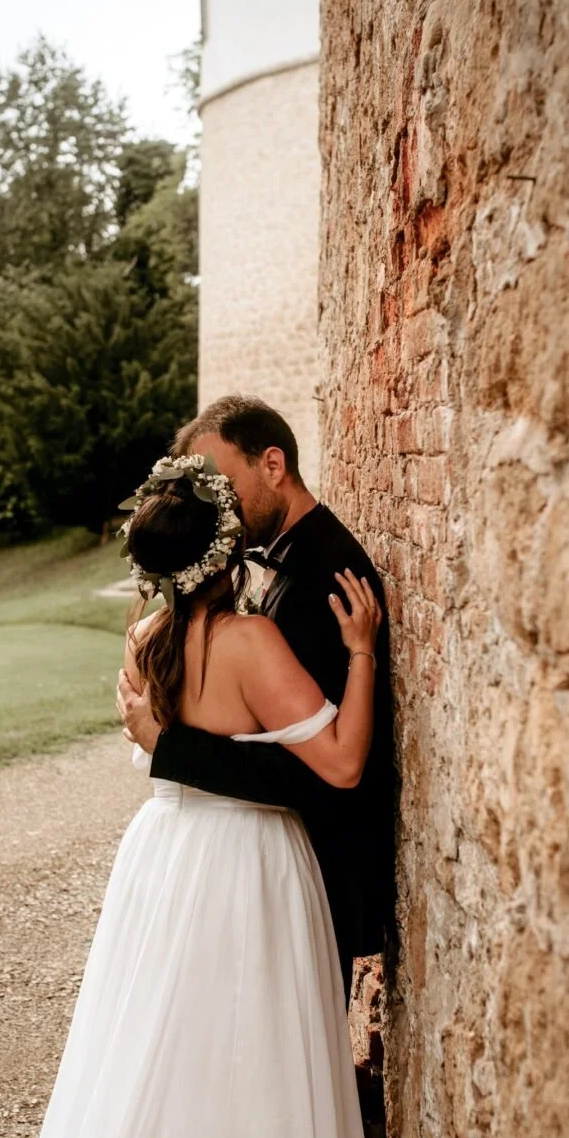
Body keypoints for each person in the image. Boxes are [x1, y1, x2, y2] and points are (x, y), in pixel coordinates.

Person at [0, 452, 393, 1138]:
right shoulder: (249, 643)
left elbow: (161, 750)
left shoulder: (144, 640)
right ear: (224, 548)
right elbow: (345, 763)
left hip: (162, 863)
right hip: (246, 870)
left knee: (159, 1059)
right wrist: (359, 655)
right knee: (257, 1068)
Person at [118, 395, 397, 1004]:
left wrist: (170, 749)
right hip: (251, 870)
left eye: (222, 484)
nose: (216, 505)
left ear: (273, 465)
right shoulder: (262, 596)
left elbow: (322, 770)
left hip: (310, 870)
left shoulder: (327, 580)